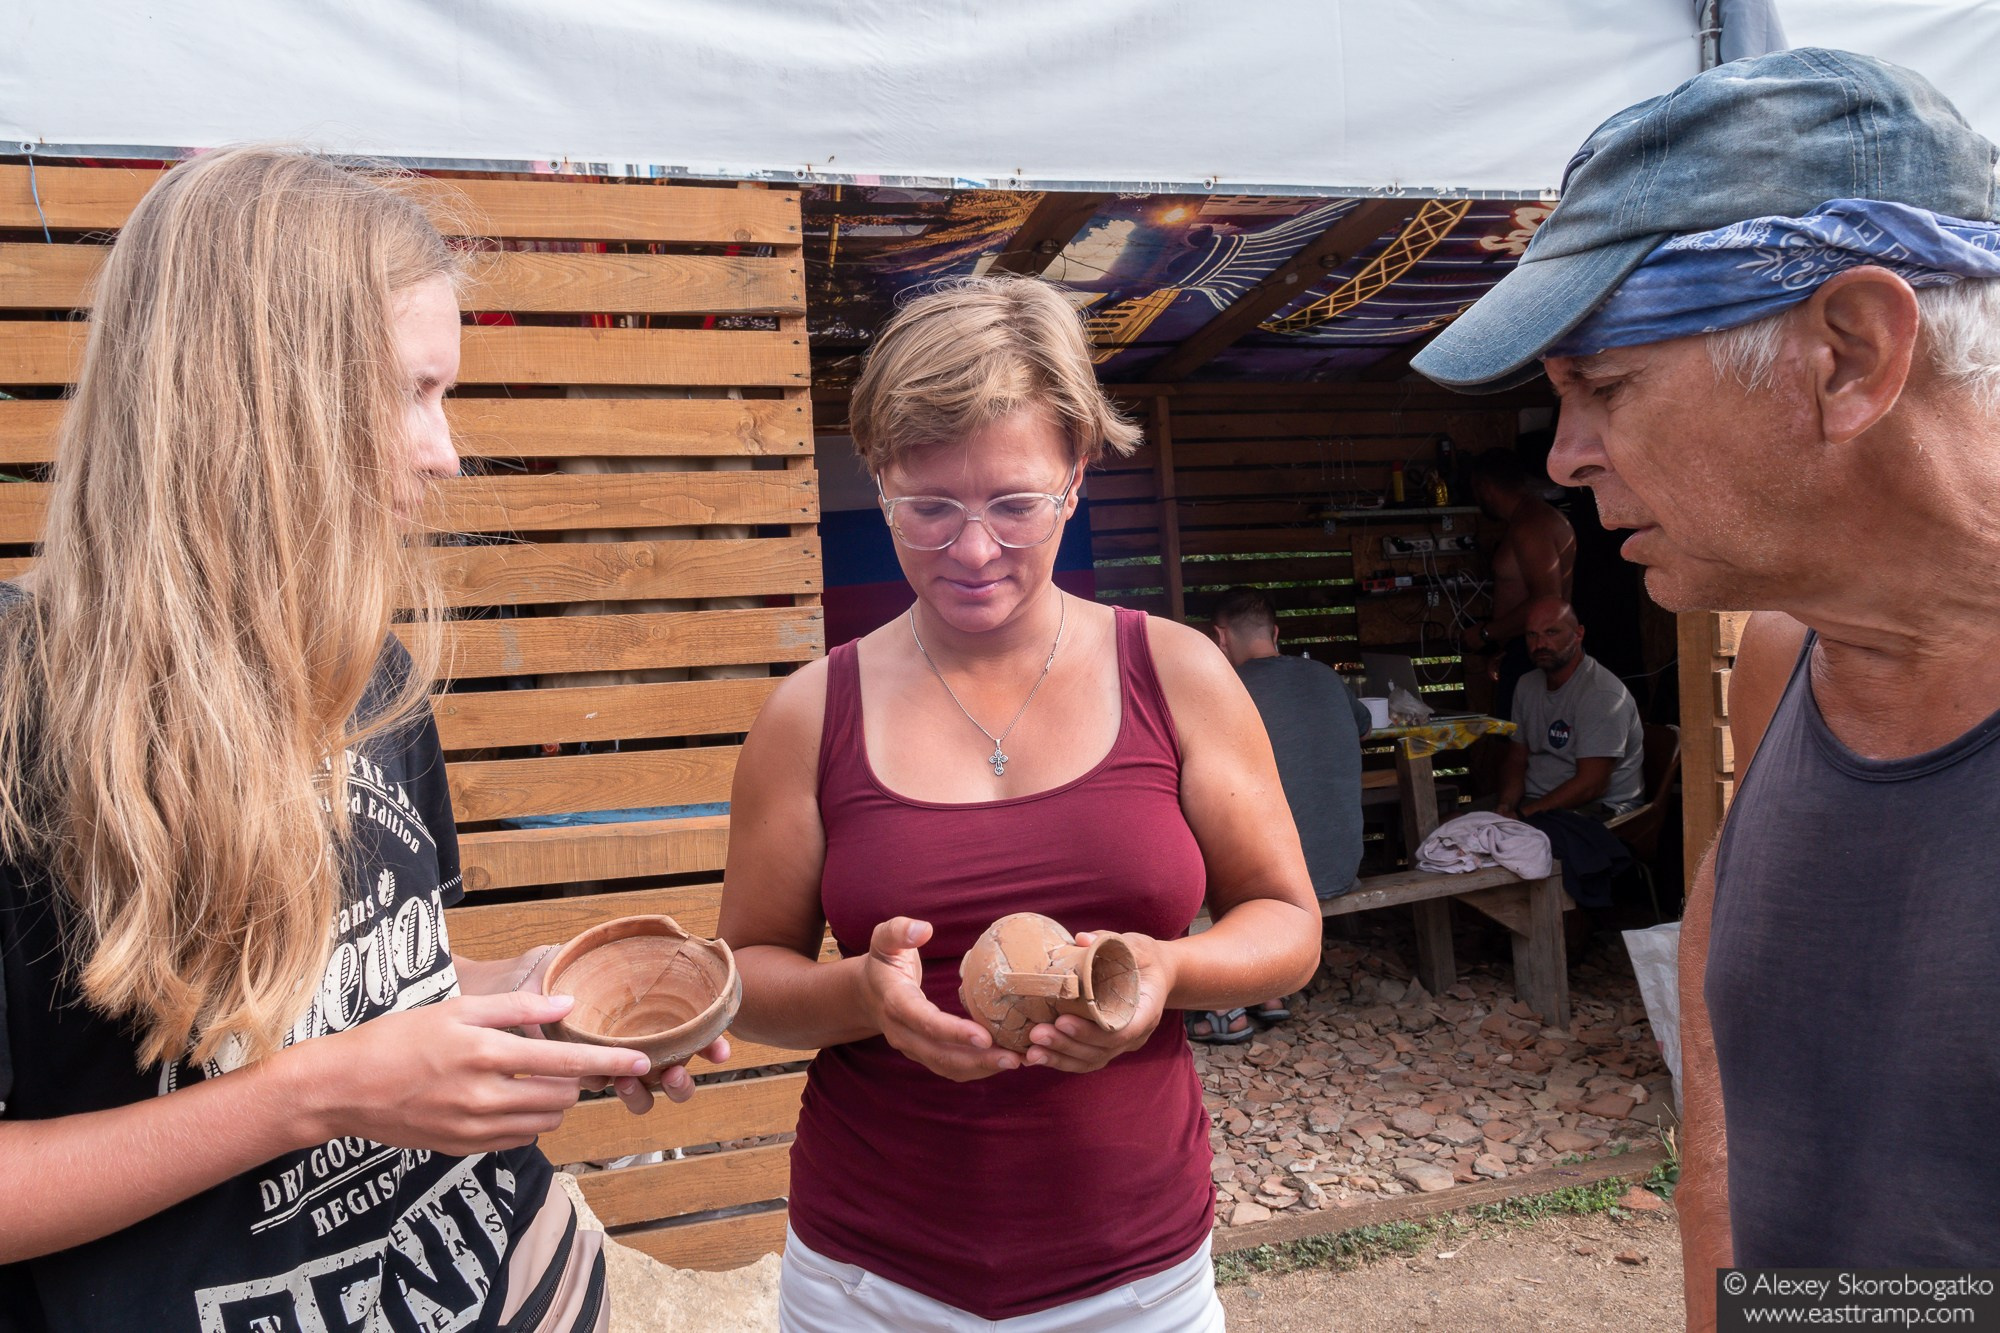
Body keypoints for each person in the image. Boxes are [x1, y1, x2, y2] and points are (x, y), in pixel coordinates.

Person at [0, 147, 718, 1331]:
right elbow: (325, 1071)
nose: (447, 451)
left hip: (520, 1282)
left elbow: (379, 976)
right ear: (257, 395)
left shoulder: (362, 660)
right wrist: (316, 1099)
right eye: (412, 391)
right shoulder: (19, 703)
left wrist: (534, 1003)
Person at [1410, 48, 2000, 1330]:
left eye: (1602, 386)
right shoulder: (1785, 666)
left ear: (1848, 354)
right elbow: (1736, 1044)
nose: (1568, 458)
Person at [717, 276, 1320, 1329]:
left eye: (1013, 503)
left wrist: (1163, 971)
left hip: (1135, 1277)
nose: (972, 549)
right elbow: (748, 976)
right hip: (870, 1279)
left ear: (1075, 476)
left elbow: (1288, 923)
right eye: (929, 506)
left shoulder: (1175, 672)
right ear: (879, 478)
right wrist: (866, 997)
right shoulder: (810, 713)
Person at [1209, 586, 1371, 1040]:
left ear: (1220, 637)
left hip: (1279, 881)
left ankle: (1226, 1001)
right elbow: (1363, 728)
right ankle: (1271, 992)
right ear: (1276, 633)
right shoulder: (1324, 676)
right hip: (1340, 866)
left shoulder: (1225, 689)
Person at [1495, 598, 1644, 822]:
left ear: (1578, 634)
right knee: (1453, 825)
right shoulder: (1526, 684)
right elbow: (1517, 759)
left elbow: (1591, 785)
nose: (1540, 644)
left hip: (1596, 809)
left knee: (1508, 841)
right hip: (1534, 803)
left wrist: (1520, 817)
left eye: (1551, 632)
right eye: (1532, 635)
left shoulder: (1601, 693)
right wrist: (1505, 807)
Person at [1460, 447, 1577, 719]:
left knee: (1519, 740)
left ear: (1484, 487)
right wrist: (1506, 646)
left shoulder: (1531, 527)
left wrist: (1486, 634)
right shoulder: (1531, 520)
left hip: (1538, 652)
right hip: (1527, 649)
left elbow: (1547, 603)